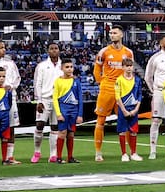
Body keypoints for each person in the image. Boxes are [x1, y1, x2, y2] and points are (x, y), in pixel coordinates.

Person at [94, 26, 135, 162]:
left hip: (123, 90)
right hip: (107, 89)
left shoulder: (128, 52)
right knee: (101, 120)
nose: (112, 35)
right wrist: (101, 83)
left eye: (115, 33)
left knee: (126, 120)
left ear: (121, 34)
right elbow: (96, 70)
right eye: (110, 33)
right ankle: (98, 152)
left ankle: (129, 152)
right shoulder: (104, 51)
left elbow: (130, 71)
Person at [33, 42, 66, 163]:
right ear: (48, 51)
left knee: (55, 127)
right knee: (40, 125)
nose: (54, 51)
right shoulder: (41, 66)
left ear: (59, 50)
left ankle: (53, 154)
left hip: (58, 100)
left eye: (56, 48)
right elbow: (37, 84)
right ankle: (37, 151)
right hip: (45, 99)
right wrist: (39, 100)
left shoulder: (63, 65)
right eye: (51, 49)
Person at [54, 59, 84, 164]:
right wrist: (58, 114)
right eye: (67, 67)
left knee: (71, 134)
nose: (69, 69)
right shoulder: (58, 81)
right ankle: (58, 157)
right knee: (62, 133)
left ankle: (70, 157)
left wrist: (80, 114)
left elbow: (80, 98)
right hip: (63, 110)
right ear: (62, 68)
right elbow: (55, 98)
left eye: (71, 67)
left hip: (74, 111)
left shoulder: (76, 81)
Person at [115, 58, 143, 162]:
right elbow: (117, 97)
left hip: (134, 109)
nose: (129, 68)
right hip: (123, 110)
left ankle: (133, 153)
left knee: (134, 132)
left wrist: (136, 109)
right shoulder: (119, 80)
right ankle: (124, 154)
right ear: (122, 67)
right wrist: (124, 110)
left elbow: (139, 95)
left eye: (130, 66)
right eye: (126, 66)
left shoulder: (137, 80)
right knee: (122, 132)